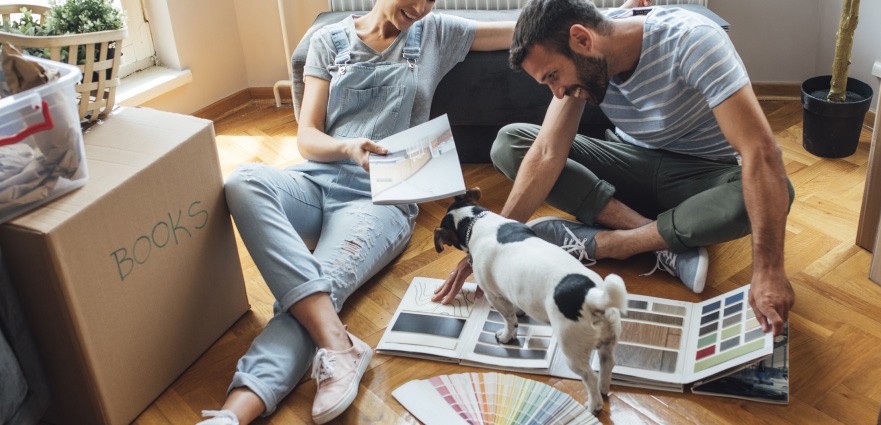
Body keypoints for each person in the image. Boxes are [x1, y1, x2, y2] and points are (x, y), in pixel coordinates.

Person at [196, 1, 513, 423]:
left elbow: (520, 28)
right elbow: (307, 138)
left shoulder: (436, 33)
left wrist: (616, 16)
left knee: (317, 291)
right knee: (244, 180)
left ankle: (234, 413)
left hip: (380, 200)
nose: (420, 7)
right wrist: (347, 146)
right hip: (315, 180)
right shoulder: (328, 41)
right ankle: (340, 346)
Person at [435, 0, 795, 337]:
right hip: (628, 164)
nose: (556, 93)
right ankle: (659, 239)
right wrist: (495, 245)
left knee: (768, 193)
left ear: (582, 39)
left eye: (553, 76)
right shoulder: (586, 64)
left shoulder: (692, 41)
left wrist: (768, 270)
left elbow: (760, 152)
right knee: (510, 142)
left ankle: (611, 243)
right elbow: (546, 152)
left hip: (701, 177)